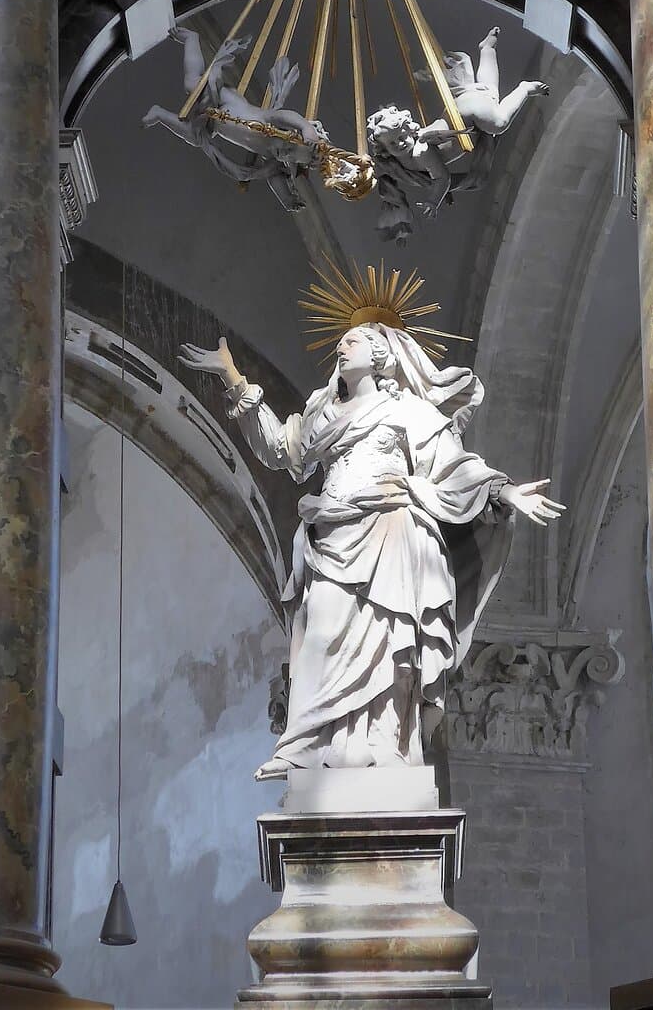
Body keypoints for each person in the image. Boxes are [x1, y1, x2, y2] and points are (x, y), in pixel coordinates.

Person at [178, 319, 563, 778]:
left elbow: (453, 467)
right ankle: (306, 744)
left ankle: (386, 745)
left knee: (390, 641)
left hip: (391, 534)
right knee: (321, 631)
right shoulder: (324, 413)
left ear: (380, 355)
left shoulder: (410, 411)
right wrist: (232, 377)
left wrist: (505, 491)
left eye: (353, 341)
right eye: (341, 342)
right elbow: (280, 449)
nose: (342, 347)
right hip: (332, 536)